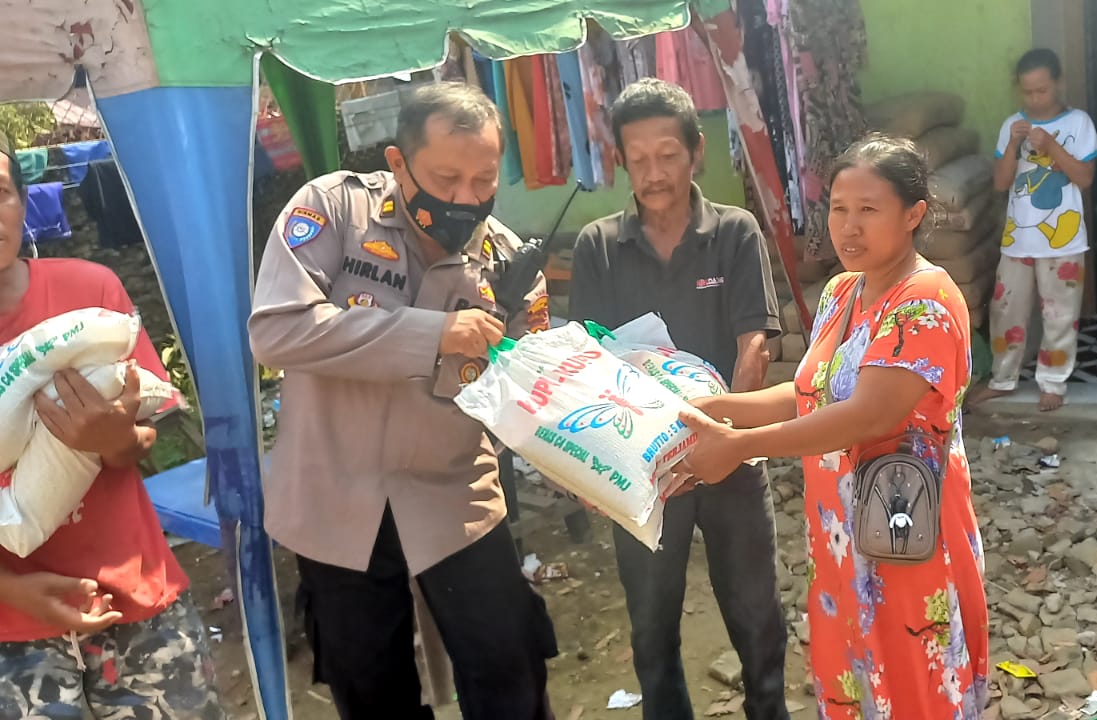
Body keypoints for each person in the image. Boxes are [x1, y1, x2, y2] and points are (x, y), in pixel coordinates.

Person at [248, 82, 558, 720]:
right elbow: (277, 330)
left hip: (454, 495)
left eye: (482, 179)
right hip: (335, 495)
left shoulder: (505, 258)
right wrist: (434, 333)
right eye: (446, 178)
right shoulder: (333, 211)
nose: (466, 198)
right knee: (370, 686)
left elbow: (537, 376)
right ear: (397, 162)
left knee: (511, 672)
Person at [676, 134, 989, 718]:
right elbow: (809, 394)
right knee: (854, 686)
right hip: (842, 545)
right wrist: (715, 407)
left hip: (905, 541)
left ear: (914, 214)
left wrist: (739, 447)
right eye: (838, 209)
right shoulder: (843, 292)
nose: (848, 227)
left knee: (915, 690)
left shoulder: (925, 300)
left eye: (868, 210)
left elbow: (868, 414)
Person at [567, 78, 789, 720]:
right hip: (643, 470)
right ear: (622, 164)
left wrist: (719, 440)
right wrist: (594, 462)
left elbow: (755, 347)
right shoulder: (599, 247)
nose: (654, 172)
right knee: (651, 627)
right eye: (638, 160)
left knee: (757, 620)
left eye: (668, 154)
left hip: (728, 456)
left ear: (695, 152)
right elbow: (587, 362)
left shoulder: (734, 232)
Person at [0, 136, 225, 718]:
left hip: (135, 596)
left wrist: (114, 442)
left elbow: (141, 433)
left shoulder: (87, 294)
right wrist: (9, 589)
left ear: (21, 203)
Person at [967, 48, 1097, 412]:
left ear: (1059, 84)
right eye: (1028, 92)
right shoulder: (1012, 124)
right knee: (1005, 310)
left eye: (1042, 90)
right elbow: (1000, 182)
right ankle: (1003, 379)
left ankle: (1053, 382)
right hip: (1018, 239)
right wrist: (1012, 144)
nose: (1035, 98)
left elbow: (1084, 178)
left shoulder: (1079, 124)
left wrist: (1051, 145)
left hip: (1064, 239)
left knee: (1060, 314)